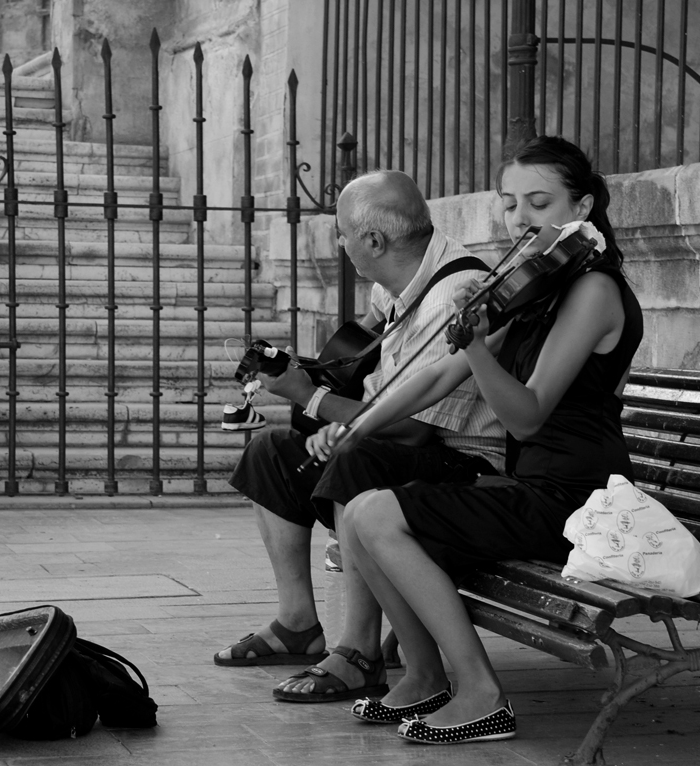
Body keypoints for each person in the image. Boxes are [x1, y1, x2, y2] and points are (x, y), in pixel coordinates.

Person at [298, 136, 643, 744]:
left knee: (377, 514)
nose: (521, 220)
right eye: (511, 204)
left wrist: (478, 343)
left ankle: (482, 695)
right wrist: (356, 425)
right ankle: (425, 676)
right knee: (356, 512)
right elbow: (437, 375)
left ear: (582, 207)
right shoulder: (538, 284)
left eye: (539, 202)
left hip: (576, 496)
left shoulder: (594, 291)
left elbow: (528, 416)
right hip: (531, 482)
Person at [215, 170, 504, 696]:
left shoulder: (453, 296)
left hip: (465, 464)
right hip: (401, 446)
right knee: (271, 452)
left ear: (374, 241)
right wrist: (304, 372)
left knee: (357, 462)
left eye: (343, 234)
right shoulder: (398, 278)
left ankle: (358, 650)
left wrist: (310, 397)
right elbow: (367, 353)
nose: (340, 244)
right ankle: (298, 623)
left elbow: (413, 431)